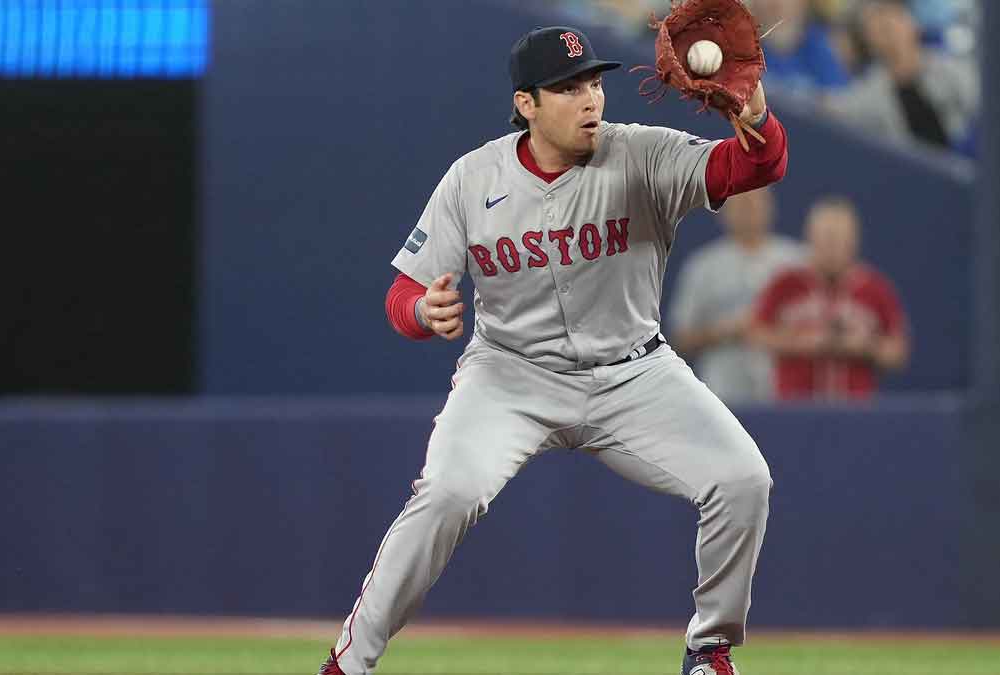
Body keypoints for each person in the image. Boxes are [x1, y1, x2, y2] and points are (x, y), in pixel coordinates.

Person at [318, 25, 788, 675]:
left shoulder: (642, 154)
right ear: (526, 104)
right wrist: (422, 311)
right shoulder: (472, 178)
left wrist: (754, 110)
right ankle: (348, 663)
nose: (590, 98)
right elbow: (406, 290)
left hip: (635, 372)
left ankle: (709, 649)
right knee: (447, 493)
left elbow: (755, 165)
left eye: (594, 82)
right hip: (510, 373)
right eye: (568, 88)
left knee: (742, 480)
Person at [747, 197, 908, 400]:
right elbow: (755, 333)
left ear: (854, 240)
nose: (832, 247)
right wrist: (803, 342)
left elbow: (897, 352)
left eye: (840, 239)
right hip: (795, 407)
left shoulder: (875, 288)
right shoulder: (785, 283)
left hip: (856, 408)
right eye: (826, 239)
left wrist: (865, 347)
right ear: (810, 237)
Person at [668, 187, 808, 404]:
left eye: (754, 204)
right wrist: (724, 330)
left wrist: (771, 331)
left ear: (769, 208)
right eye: (740, 206)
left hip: (785, 388)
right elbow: (680, 337)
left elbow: (818, 322)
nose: (747, 212)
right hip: (722, 388)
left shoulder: (796, 261)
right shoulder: (703, 266)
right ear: (724, 213)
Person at [826, 0, 978, 150]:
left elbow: (982, 104)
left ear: (913, 24)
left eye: (893, 17)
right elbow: (837, 109)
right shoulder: (871, 91)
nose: (889, 29)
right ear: (869, 40)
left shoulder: (950, 69)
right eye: (879, 26)